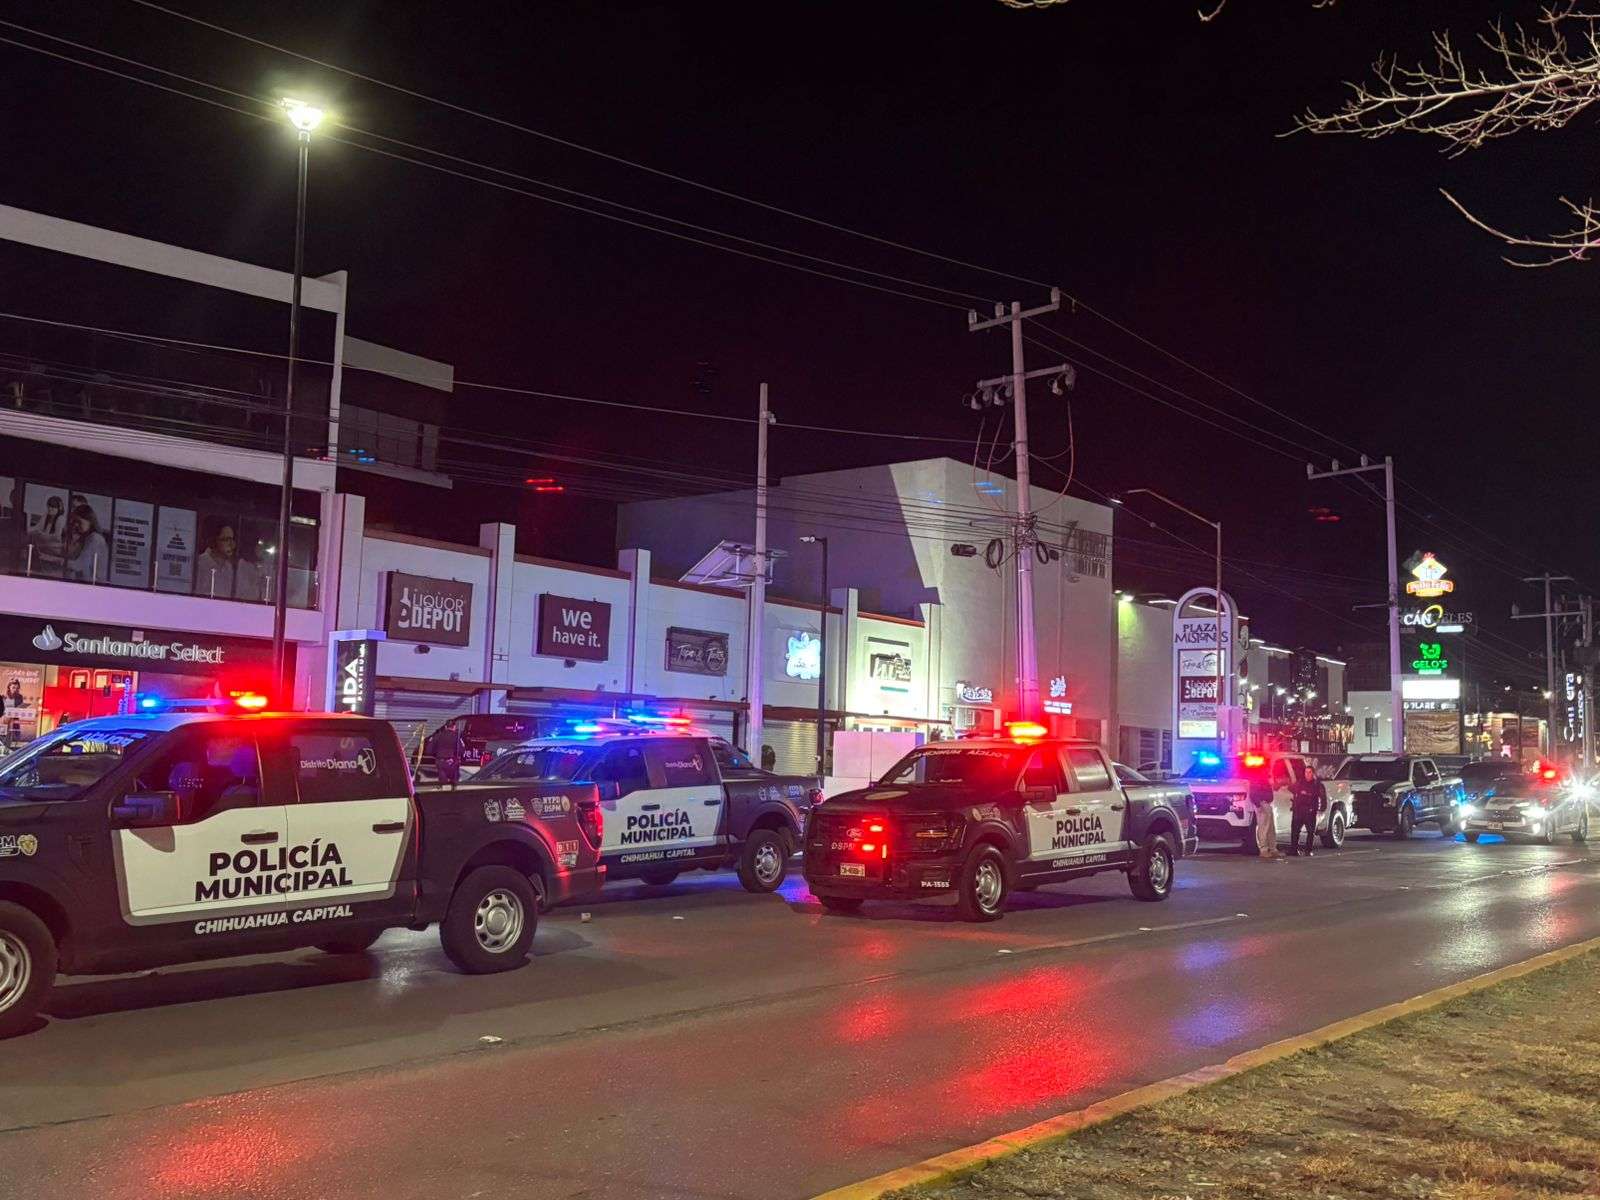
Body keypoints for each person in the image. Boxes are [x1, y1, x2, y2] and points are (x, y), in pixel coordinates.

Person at [63, 503, 109, 582]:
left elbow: (78, 565)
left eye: (79, 521)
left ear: (89, 521)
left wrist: (54, 560)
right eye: (75, 522)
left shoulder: (95, 539)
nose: (76, 525)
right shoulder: (88, 537)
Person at [1289, 763, 1327, 857]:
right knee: (1295, 831)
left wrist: (1322, 809)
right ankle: (1293, 850)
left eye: (1309, 772)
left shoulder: (1317, 784)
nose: (1307, 774)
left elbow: (1323, 797)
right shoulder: (1300, 782)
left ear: (1313, 773)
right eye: (1306, 772)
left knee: (1310, 832)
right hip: (1298, 810)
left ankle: (1308, 850)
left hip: (1310, 811)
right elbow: (1291, 788)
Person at [1249, 771, 1279, 859]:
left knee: (1270, 828)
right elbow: (1253, 794)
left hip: (1267, 804)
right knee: (1263, 828)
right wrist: (1258, 805)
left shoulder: (1264, 779)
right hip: (1262, 804)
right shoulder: (1257, 779)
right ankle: (1264, 850)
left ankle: (1273, 849)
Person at [430, 721, 465, 788]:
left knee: (442, 780)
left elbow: (429, 749)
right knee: (454, 781)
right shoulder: (457, 737)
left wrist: (437, 756)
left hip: (440, 761)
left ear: (446, 727)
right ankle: (453, 789)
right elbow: (461, 750)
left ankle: (441, 788)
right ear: (454, 727)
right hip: (453, 761)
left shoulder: (437, 736)